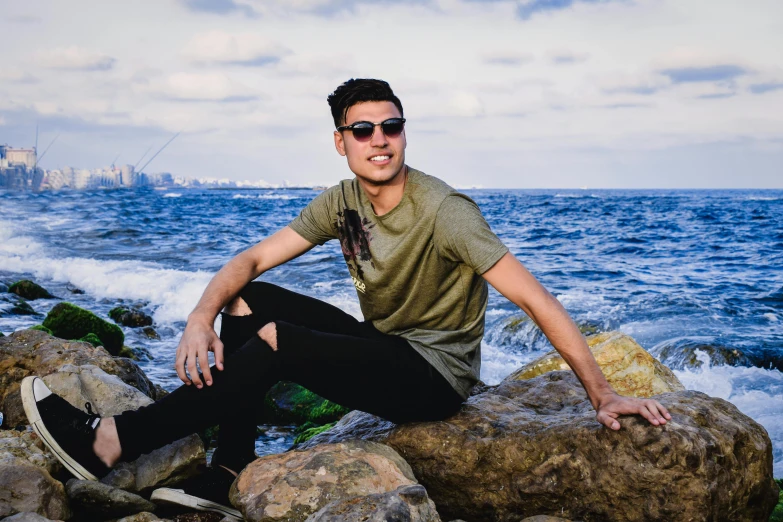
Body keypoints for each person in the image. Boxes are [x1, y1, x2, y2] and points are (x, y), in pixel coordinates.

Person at [21, 78, 671, 521]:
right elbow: (247, 260)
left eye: (391, 126)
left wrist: (601, 393)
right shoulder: (343, 201)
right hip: (386, 348)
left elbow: (537, 300)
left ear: (404, 133)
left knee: (276, 341)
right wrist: (198, 317)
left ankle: (113, 441)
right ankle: (231, 468)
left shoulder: (444, 212)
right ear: (341, 141)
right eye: (363, 130)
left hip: (433, 378)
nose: (380, 138)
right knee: (246, 299)